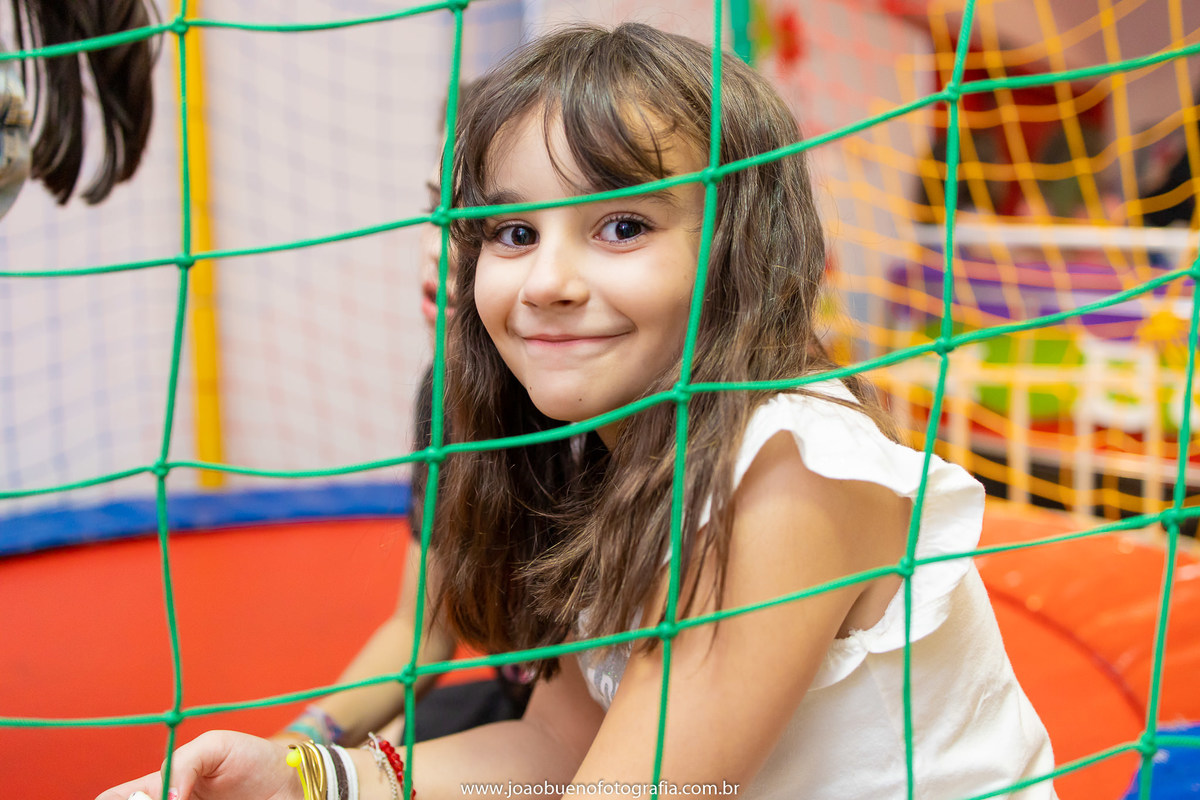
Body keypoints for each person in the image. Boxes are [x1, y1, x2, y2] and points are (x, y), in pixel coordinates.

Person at [99, 22, 1056, 800]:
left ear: (739, 252)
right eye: (513, 231)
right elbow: (555, 748)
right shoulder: (594, 445)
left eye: (622, 226)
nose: (546, 281)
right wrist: (310, 777)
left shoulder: (788, 467)